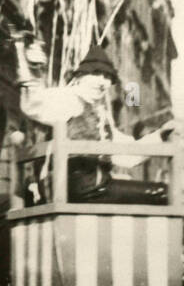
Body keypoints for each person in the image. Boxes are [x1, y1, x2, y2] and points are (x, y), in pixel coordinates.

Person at [14, 38, 174, 202]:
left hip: (95, 186)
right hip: (79, 187)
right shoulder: (69, 98)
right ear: (81, 76)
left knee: (163, 192)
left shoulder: (99, 114)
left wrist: (160, 135)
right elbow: (34, 103)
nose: (102, 82)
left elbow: (127, 155)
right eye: (96, 73)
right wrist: (31, 65)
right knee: (164, 194)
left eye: (107, 77)